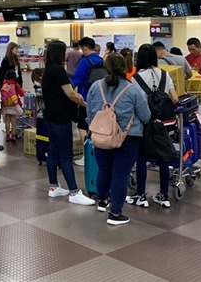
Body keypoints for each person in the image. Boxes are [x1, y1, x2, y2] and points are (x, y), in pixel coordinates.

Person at [86, 53, 151, 226]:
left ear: (106, 68)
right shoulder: (133, 90)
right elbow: (145, 116)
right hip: (128, 139)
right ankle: (115, 214)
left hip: (101, 136)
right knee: (120, 176)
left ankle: (102, 202)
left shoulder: (95, 87)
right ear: (125, 68)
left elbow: (90, 113)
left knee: (104, 171)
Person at [42, 41, 94, 205]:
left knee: (53, 151)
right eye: (64, 51)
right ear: (58, 53)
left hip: (51, 117)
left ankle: (53, 187)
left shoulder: (48, 70)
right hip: (60, 118)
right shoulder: (58, 71)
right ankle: (74, 191)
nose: (67, 54)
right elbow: (70, 93)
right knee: (66, 154)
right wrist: (85, 104)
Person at [128, 44, 179, 209]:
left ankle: (141, 195)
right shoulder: (165, 74)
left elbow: (134, 103)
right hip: (164, 124)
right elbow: (175, 98)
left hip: (144, 124)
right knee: (163, 157)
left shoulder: (135, 78)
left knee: (141, 157)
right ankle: (163, 195)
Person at [70, 37, 104, 166]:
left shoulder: (85, 61)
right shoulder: (101, 60)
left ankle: (87, 155)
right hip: (102, 100)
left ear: (85, 48)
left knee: (82, 126)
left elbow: (76, 79)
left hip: (86, 100)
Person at [0, 70, 25, 142]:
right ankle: (13, 135)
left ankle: (7, 135)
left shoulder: (4, 84)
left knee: (7, 120)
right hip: (14, 104)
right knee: (13, 121)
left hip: (6, 105)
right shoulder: (16, 85)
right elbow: (21, 94)